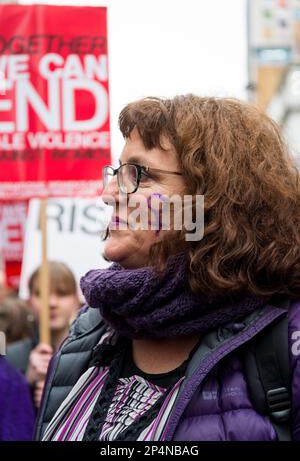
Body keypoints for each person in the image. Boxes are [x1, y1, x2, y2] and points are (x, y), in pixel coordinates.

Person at [36, 95, 300, 441]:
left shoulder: (285, 335)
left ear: (215, 202)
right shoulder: (87, 332)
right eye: (117, 172)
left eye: (140, 175)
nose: (109, 193)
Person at [6, 261, 80, 408]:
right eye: (42, 294)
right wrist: (25, 383)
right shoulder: (10, 357)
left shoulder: (93, 356)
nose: (52, 303)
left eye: (62, 293)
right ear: (28, 302)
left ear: (76, 301)